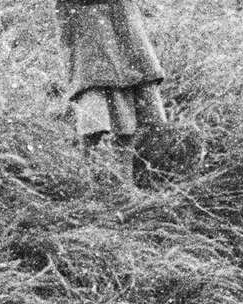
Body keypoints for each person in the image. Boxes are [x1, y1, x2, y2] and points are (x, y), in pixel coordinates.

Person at [56, 0, 167, 181]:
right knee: (93, 110)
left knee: (124, 101)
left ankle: (124, 184)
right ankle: (88, 183)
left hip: (119, 23)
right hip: (89, 28)